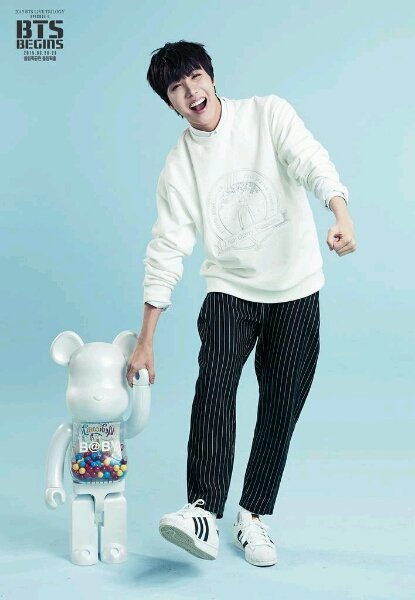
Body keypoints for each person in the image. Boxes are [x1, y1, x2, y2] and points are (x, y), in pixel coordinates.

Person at [126, 40, 356, 568]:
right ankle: (203, 511)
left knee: (282, 403)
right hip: (229, 289)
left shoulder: (267, 114)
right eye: (177, 88)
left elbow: (311, 161)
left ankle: (252, 515)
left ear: (210, 76)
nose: (191, 92)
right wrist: (145, 340)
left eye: (195, 78)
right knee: (214, 386)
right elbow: (167, 248)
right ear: (170, 104)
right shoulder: (179, 165)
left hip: (296, 288)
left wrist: (340, 214)